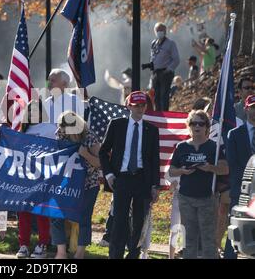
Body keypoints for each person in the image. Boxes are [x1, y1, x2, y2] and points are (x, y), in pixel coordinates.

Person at [99, 91, 160, 259]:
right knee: (119, 220)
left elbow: (155, 159)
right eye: (136, 105)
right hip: (122, 179)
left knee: (139, 221)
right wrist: (109, 175)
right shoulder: (117, 125)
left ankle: (133, 253)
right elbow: (103, 152)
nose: (140, 108)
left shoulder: (152, 130)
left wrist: (156, 185)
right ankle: (115, 254)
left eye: (143, 105)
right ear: (128, 106)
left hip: (142, 179)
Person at [169, 110, 228, 259]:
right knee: (189, 239)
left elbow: (225, 169)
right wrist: (181, 171)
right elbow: (171, 171)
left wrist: (210, 168)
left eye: (201, 123)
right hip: (186, 198)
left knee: (208, 239)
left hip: (207, 198)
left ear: (207, 127)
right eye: (193, 123)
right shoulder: (181, 147)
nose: (197, 126)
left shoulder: (214, 147)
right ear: (189, 126)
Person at [50, 111, 101, 259]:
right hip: (66, 183)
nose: (66, 131)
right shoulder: (60, 133)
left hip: (88, 185)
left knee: (84, 217)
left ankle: (80, 253)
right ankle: (61, 252)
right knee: (56, 215)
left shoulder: (89, 136)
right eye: (64, 128)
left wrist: (85, 154)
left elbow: (100, 163)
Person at [15, 100, 53, 259]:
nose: (33, 113)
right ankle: (23, 244)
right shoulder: (23, 129)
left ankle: (43, 244)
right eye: (30, 110)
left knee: (41, 211)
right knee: (23, 210)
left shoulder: (50, 128)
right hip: (24, 176)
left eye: (36, 110)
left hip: (43, 177)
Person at [224, 94, 255, 259]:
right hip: (242, 190)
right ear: (246, 108)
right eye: (253, 107)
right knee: (236, 228)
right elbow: (233, 164)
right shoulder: (234, 134)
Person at [146, 22, 180, 111]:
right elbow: (152, 57)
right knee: (156, 96)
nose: (159, 32)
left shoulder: (170, 43)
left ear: (165, 31)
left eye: (161, 30)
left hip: (166, 72)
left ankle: (165, 114)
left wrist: (169, 69)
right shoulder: (154, 43)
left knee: (164, 95)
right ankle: (158, 114)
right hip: (155, 73)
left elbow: (176, 59)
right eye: (158, 30)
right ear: (155, 31)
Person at [43, 69, 84, 136]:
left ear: (64, 84)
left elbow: (81, 125)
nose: (49, 83)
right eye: (49, 80)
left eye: (53, 81)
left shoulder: (74, 100)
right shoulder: (45, 103)